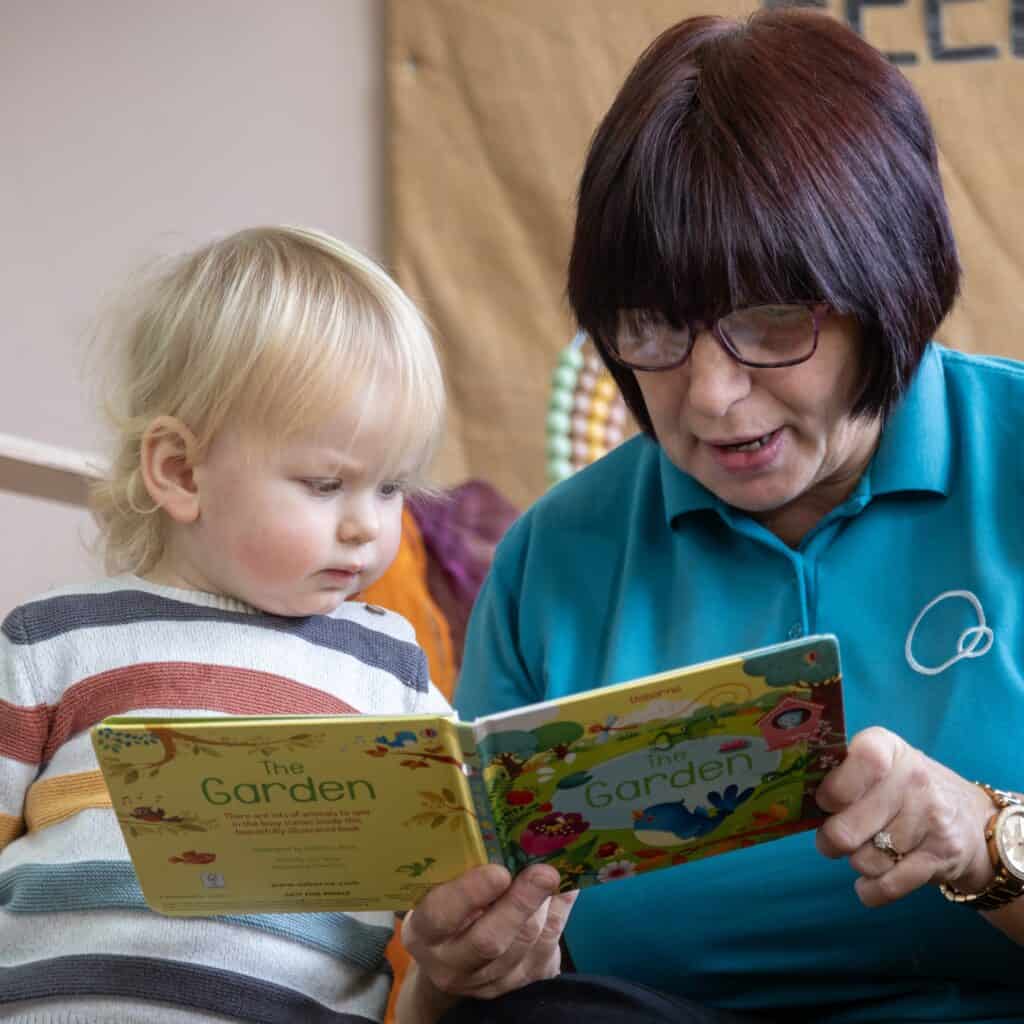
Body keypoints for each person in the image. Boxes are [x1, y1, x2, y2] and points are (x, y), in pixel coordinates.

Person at [403, 8, 1024, 1023]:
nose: (708, 398)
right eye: (650, 327)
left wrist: (984, 838)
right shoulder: (555, 559)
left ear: (887, 282)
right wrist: (460, 966)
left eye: (769, 321)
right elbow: (444, 1004)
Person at [0, 225, 476, 1022]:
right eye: (326, 484)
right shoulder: (52, 640)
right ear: (181, 472)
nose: (368, 527)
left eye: (391, 487)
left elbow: (456, 878)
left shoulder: (389, 670)